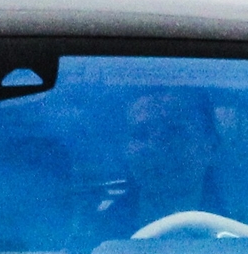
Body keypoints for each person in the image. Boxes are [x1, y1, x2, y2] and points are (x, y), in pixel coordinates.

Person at [90, 88, 220, 241]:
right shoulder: (96, 234)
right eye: (141, 133)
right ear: (125, 151)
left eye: (174, 131)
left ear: (211, 147)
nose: (155, 147)